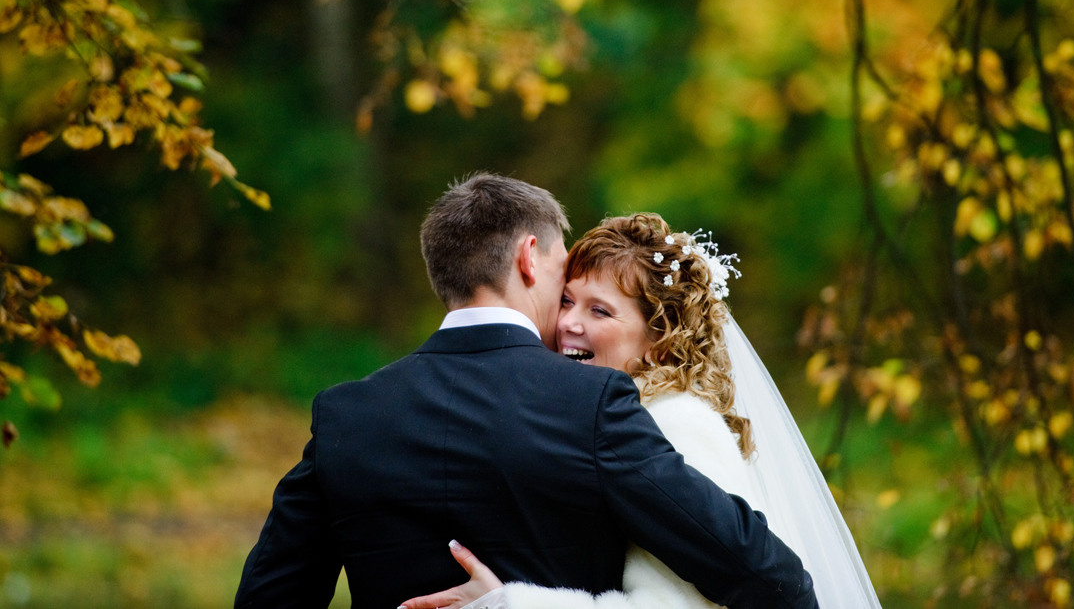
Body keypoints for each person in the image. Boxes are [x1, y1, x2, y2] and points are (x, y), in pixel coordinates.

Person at [234, 175, 819, 609]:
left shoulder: (345, 416)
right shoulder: (594, 404)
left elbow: (269, 598)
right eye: (566, 273)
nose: (567, 310)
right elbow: (768, 576)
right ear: (529, 258)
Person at [401, 213, 880, 609]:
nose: (567, 322)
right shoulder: (605, 413)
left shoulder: (677, 425)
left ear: (659, 340)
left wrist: (510, 604)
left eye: (599, 311)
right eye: (567, 300)